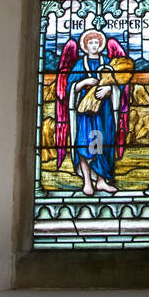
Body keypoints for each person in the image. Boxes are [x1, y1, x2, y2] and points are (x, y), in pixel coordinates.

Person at [55, 31, 133, 197]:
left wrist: (109, 89)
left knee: (101, 144)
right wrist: (83, 82)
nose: (94, 46)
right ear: (85, 46)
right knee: (85, 144)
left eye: (97, 43)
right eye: (90, 43)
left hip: (103, 113)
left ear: (101, 45)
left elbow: (117, 84)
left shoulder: (107, 62)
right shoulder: (80, 64)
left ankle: (101, 181)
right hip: (86, 113)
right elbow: (70, 88)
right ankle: (87, 183)